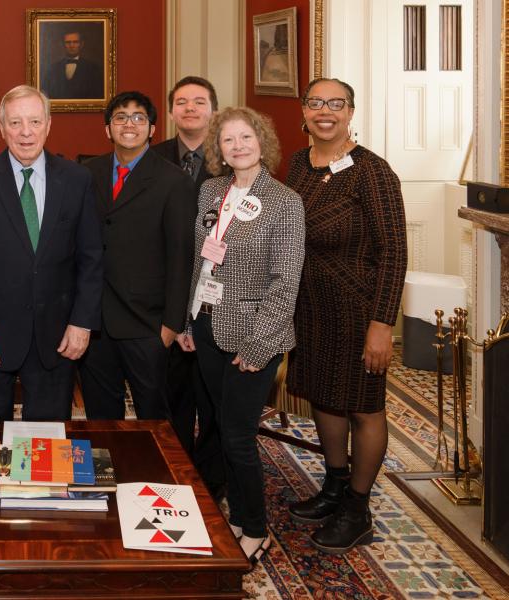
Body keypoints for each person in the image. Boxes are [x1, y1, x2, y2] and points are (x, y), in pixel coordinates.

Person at [176, 107, 305, 565]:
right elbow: (201, 261)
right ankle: (234, 516)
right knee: (216, 425)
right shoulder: (211, 190)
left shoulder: (284, 201)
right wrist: (190, 321)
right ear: (219, 148)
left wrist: (259, 344)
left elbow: (285, 280)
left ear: (262, 141)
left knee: (236, 434)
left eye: (246, 137)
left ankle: (255, 528)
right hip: (208, 325)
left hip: (253, 336)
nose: (237, 146)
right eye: (228, 140)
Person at [285, 78, 407, 554]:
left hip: (358, 308)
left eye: (336, 104)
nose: (325, 112)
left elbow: (394, 251)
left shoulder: (373, 172)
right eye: (317, 103)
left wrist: (383, 324)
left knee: (363, 404)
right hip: (311, 306)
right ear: (305, 110)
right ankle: (334, 486)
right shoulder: (298, 163)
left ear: (351, 111)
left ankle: (358, 508)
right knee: (323, 393)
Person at [0, 84, 103, 421]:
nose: (25, 132)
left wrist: (82, 323)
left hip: (58, 336)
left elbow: (91, 259)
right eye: (15, 123)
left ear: (48, 125)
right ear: (2, 128)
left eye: (34, 122)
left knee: (48, 446)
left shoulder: (77, 180)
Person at [80, 91, 196, 420]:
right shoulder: (87, 173)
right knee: (101, 416)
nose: (128, 124)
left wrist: (171, 325)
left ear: (152, 128)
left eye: (138, 118)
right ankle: (113, 471)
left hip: (147, 322)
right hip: (97, 320)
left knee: (154, 417)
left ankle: (154, 474)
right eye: (120, 117)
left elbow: (181, 257)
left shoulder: (174, 181)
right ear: (107, 129)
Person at [152, 75, 225, 496]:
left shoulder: (232, 157)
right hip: (168, 296)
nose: (191, 108)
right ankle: (175, 472)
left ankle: (213, 480)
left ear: (213, 109)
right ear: (172, 111)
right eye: (182, 102)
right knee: (172, 395)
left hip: (220, 301)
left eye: (200, 101)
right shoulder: (155, 157)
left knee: (214, 399)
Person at [40, 31, 104, 100]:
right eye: (68, 42)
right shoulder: (53, 68)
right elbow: (46, 93)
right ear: (62, 44)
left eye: (75, 42)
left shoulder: (93, 68)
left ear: (81, 44)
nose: (71, 45)